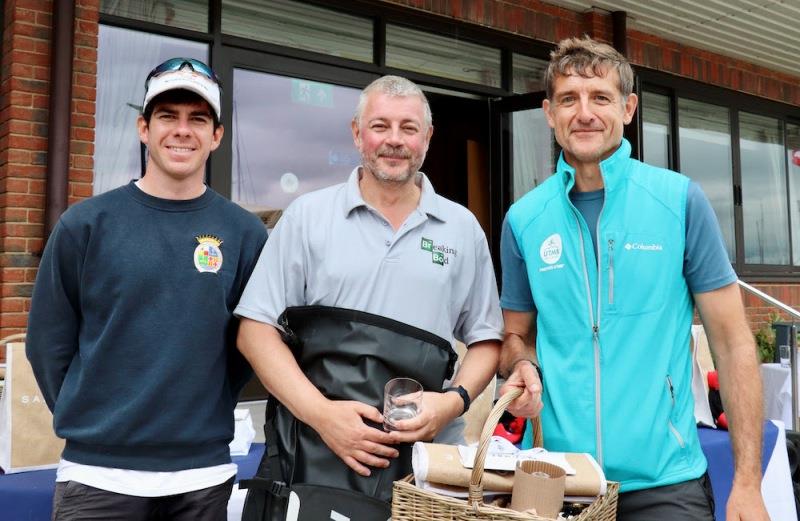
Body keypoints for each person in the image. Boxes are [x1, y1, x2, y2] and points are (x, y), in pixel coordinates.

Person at [499, 37, 769, 521]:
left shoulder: (679, 202)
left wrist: (747, 483)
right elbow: (516, 334)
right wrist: (521, 363)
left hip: (666, 483)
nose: (584, 113)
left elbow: (732, 344)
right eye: (568, 99)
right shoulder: (524, 219)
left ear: (628, 108)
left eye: (600, 97)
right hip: (560, 481)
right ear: (548, 113)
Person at [234, 75, 505, 515]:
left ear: (428, 137)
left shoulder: (462, 229)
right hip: (313, 461)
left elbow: (487, 340)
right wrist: (323, 415)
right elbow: (254, 331)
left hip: (422, 475)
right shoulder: (307, 218)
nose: (394, 141)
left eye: (408, 128)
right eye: (380, 126)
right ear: (357, 133)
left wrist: (450, 404)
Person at [26, 58, 267, 520]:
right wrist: (96, 417)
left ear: (216, 136)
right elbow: (47, 343)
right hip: (99, 476)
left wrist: (204, 405)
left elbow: (249, 345)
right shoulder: (86, 224)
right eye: (167, 116)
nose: (182, 130)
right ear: (143, 128)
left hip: (202, 478)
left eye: (198, 119)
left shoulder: (244, 234)